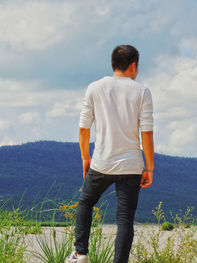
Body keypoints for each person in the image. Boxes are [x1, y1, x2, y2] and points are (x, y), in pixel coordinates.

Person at [66, 45, 154, 263]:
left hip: (101, 162)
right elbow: (147, 134)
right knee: (124, 219)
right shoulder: (142, 91)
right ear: (134, 66)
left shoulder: (95, 88)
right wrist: (149, 167)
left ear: (113, 64)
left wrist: (85, 157)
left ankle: (80, 254)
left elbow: (84, 128)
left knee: (86, 202)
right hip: (131, 165)